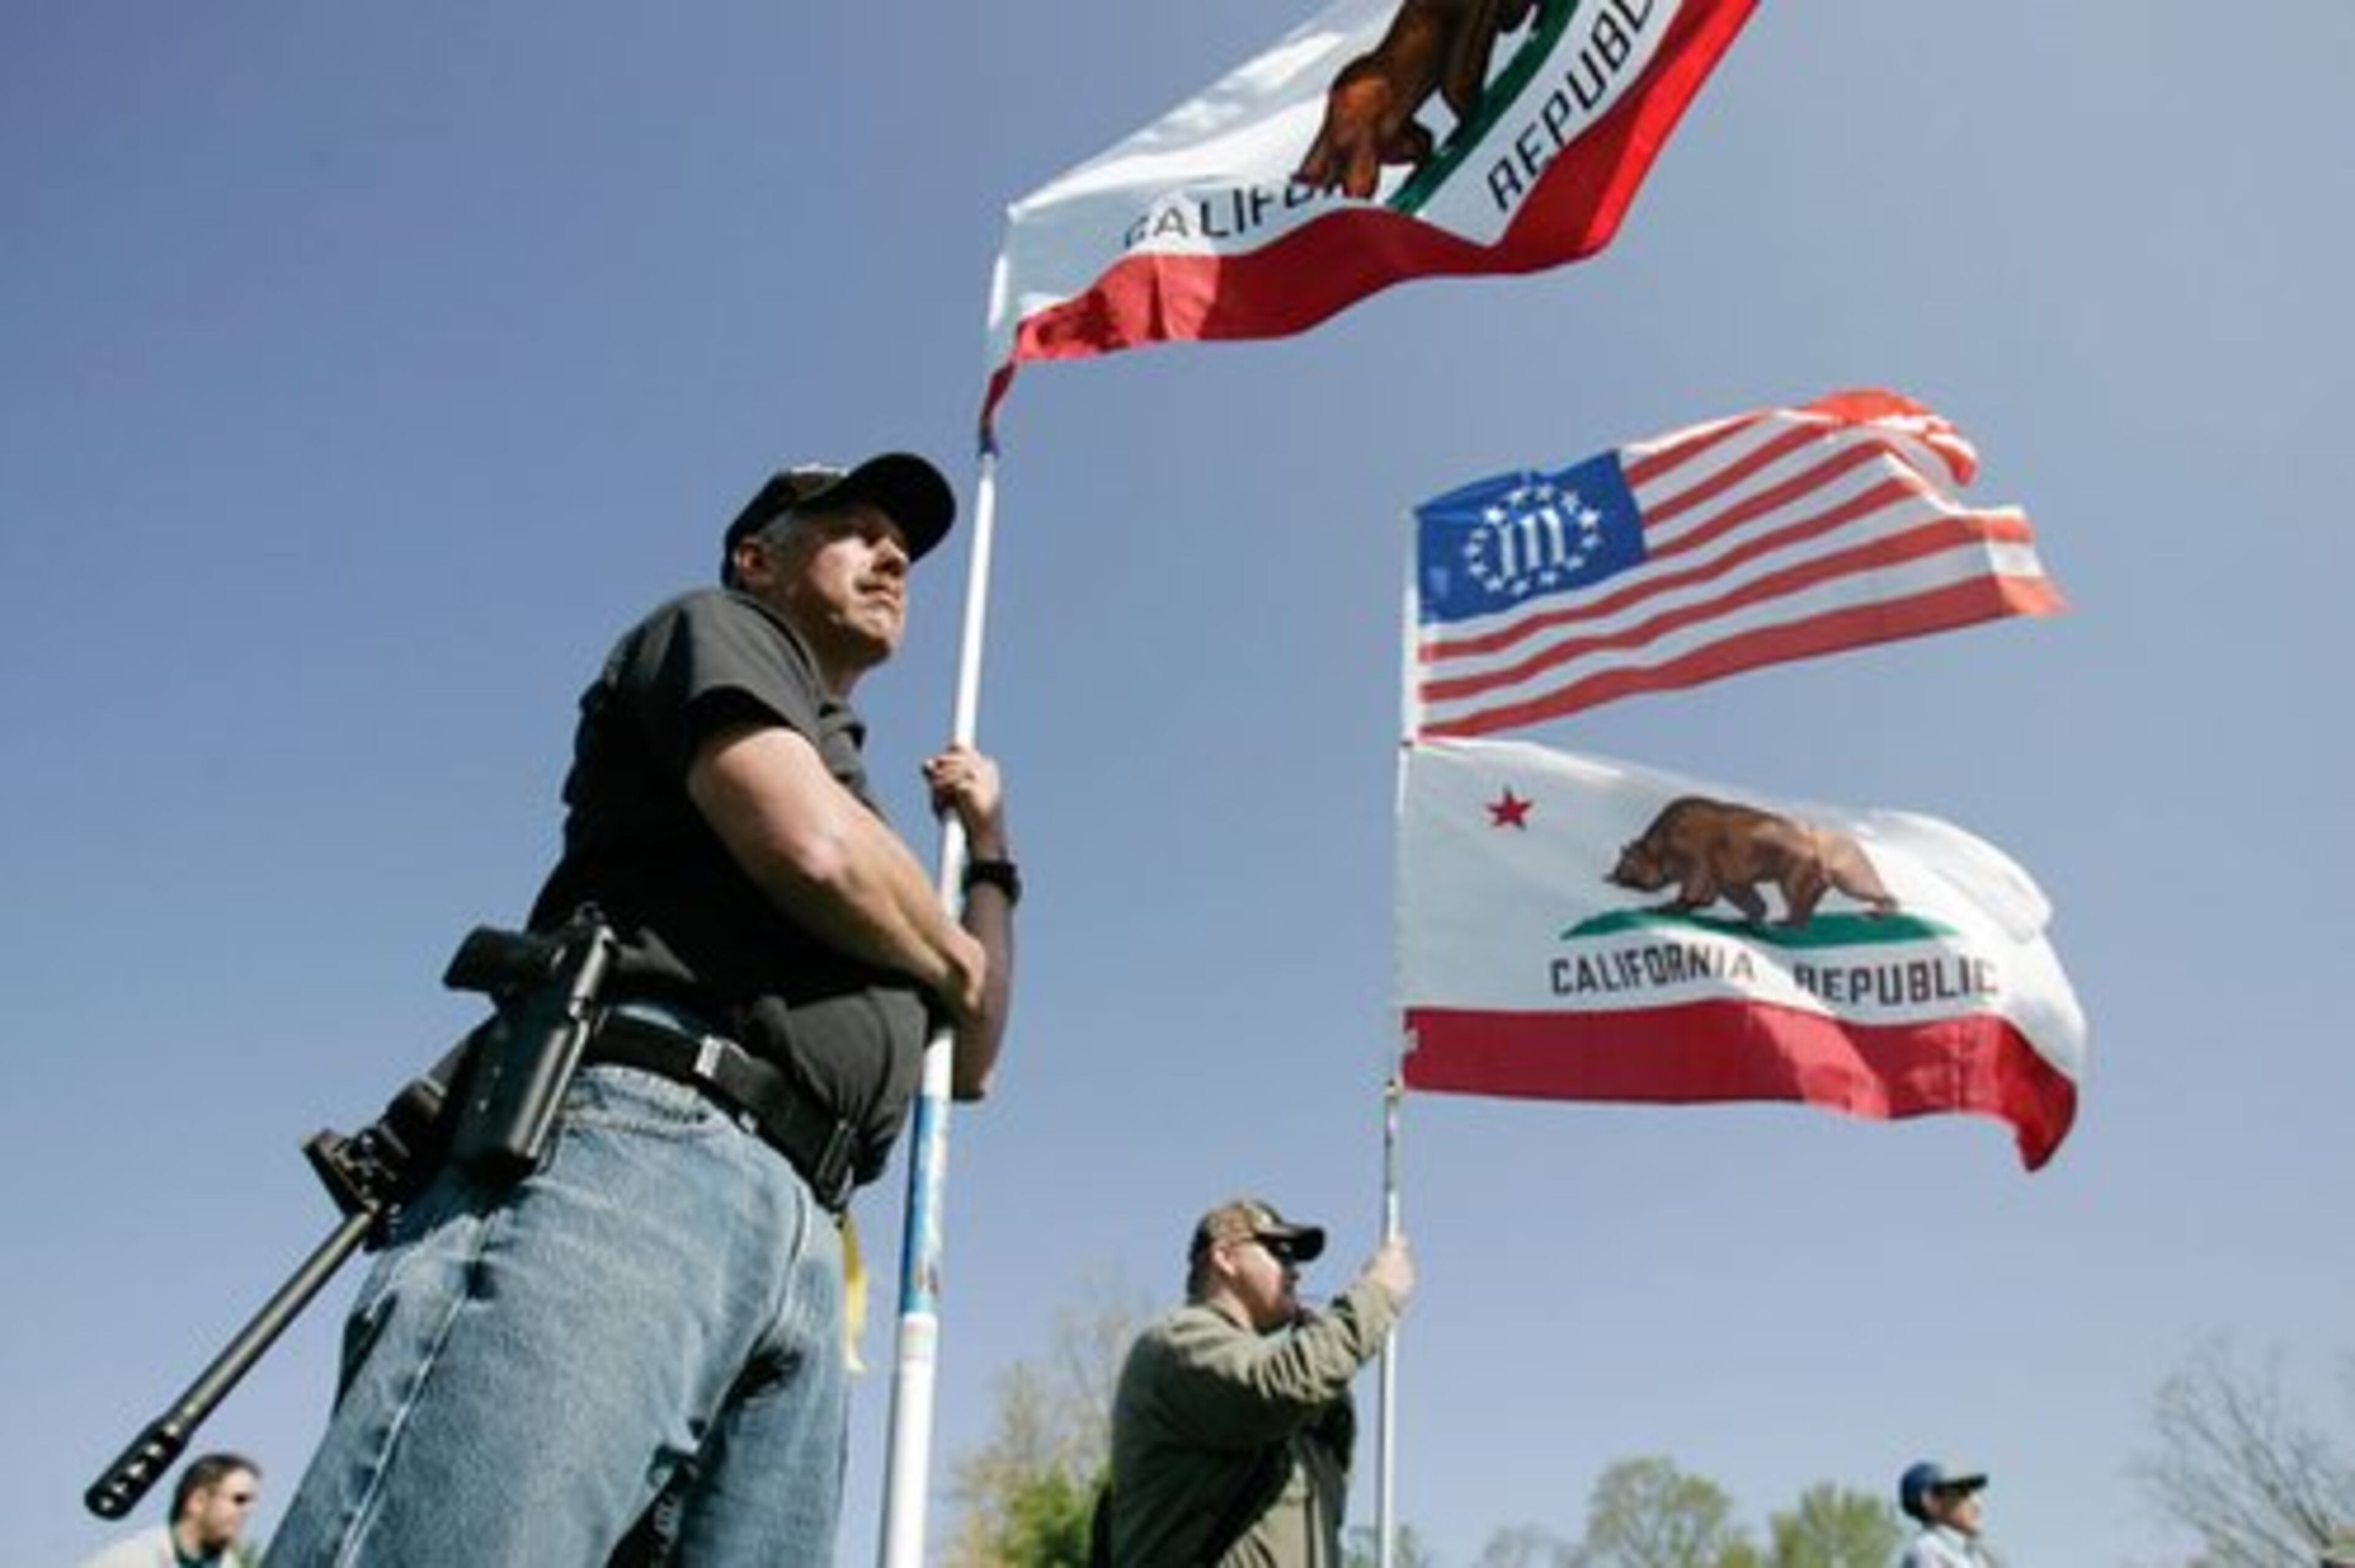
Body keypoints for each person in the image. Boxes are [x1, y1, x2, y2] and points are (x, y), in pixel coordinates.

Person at [267, 453, 1018, 1564]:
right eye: (854, 528)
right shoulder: (715, 627)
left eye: (899, 541)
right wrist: (950, 954)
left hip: (808, 1244)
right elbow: (806, 843)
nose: (895, 554)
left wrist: (990, 848)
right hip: (647, 1150)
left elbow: (972, 1062)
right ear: (759, 556)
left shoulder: (892, 852)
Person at [1106, 1196, 1414, 1567]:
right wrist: (1376, 1294)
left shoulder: (1263, 1389)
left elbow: (1326, 1488)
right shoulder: (1178, 1343)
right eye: (1281, 1254)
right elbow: (1282, 1384)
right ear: (1226, 1257)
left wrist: (1334, 1400)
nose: (1295, 1272)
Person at [79, 1451, 261, 1568]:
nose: (247, 1511)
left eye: (251, 1503)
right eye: (239, 1500)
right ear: (198, 1501)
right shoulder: (131, 1560)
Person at [1896, 1459, 1995, 1567]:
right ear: (1930, 1502)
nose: (1976, 1505)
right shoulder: (1928, 1550)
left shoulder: (1975, 1554)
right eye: (1962, 1494)